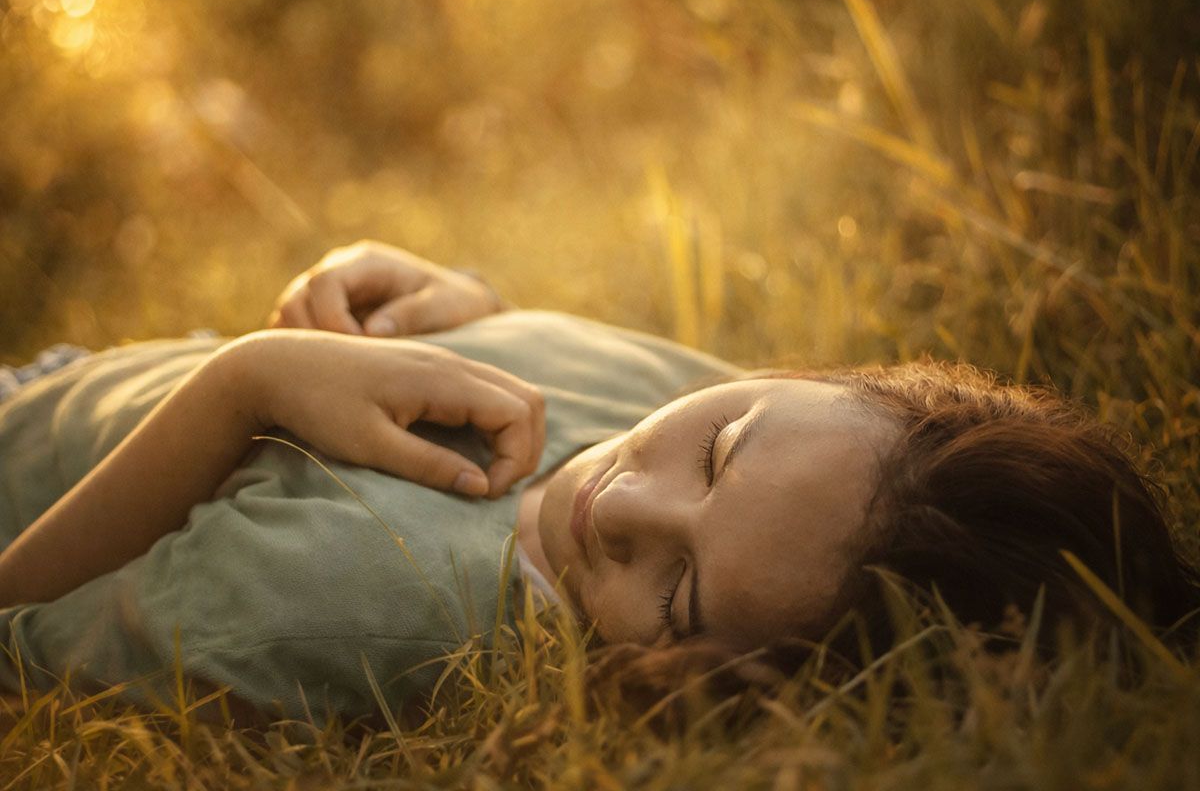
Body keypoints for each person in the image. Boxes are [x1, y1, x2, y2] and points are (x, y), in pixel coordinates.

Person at [0, 241, 1195, 723]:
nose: (620, 503)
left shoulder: (334, 606)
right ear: (818, 378)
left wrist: (247, 386)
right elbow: (546, 344)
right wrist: (458, 299)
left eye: (678, 599)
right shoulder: (800, 463)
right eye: (720, 448)